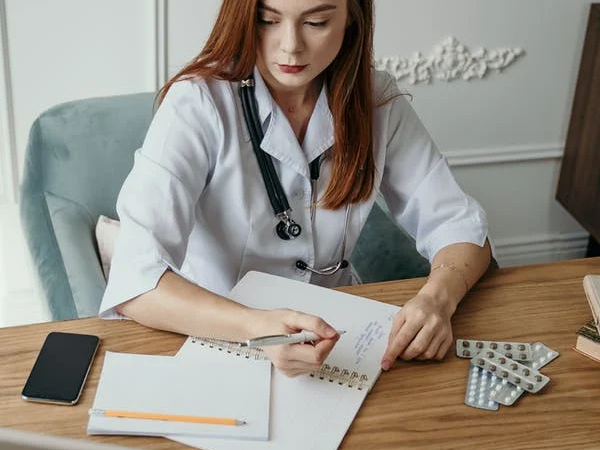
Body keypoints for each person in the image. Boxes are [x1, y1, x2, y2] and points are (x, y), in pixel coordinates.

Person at [99, 0, 492, 377]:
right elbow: (136, 279)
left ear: (351, 17)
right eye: (268, 20)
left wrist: (437, 299)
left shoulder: (376, 99)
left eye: (316, 23)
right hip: (216, 331)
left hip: (339, 336)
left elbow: (460, 225)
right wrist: (257, 329)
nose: (290, 45)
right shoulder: (198, 103)